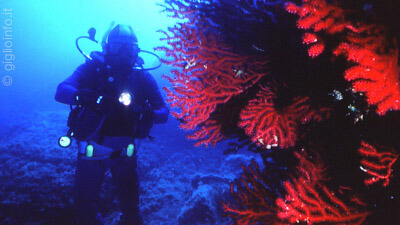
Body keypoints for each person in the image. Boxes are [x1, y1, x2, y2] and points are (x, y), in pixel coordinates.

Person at [55, 24, 169, 225]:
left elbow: (164, 113)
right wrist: (86, 97)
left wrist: (146, 114)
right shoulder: (91, 70)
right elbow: (61, 91)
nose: (124, 54)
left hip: (126, 154)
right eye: (117, 47)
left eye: (129, 49)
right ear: (106, 47)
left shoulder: (141, 76)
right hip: (90, 152)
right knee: (85, 213)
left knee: (131, 211)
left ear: (136, 51)